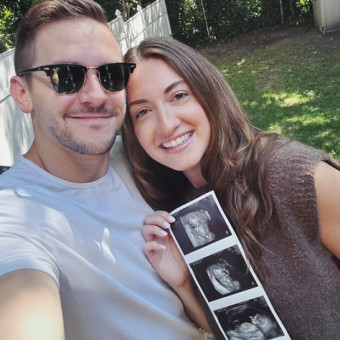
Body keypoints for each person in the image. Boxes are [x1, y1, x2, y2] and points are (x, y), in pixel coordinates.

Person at [0, 1, 212, 339]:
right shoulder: (14, 215)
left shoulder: (143, 157)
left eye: (110, 75)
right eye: (67, 77)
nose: (97, 96)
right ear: (22, 94)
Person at [122, 37, 340, 339]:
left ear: (208, 92)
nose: (166, 125)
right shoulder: (183, 214)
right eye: (142, 112)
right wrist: (183, 283)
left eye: (179, 95)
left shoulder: (293, 173)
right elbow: (234, 330)